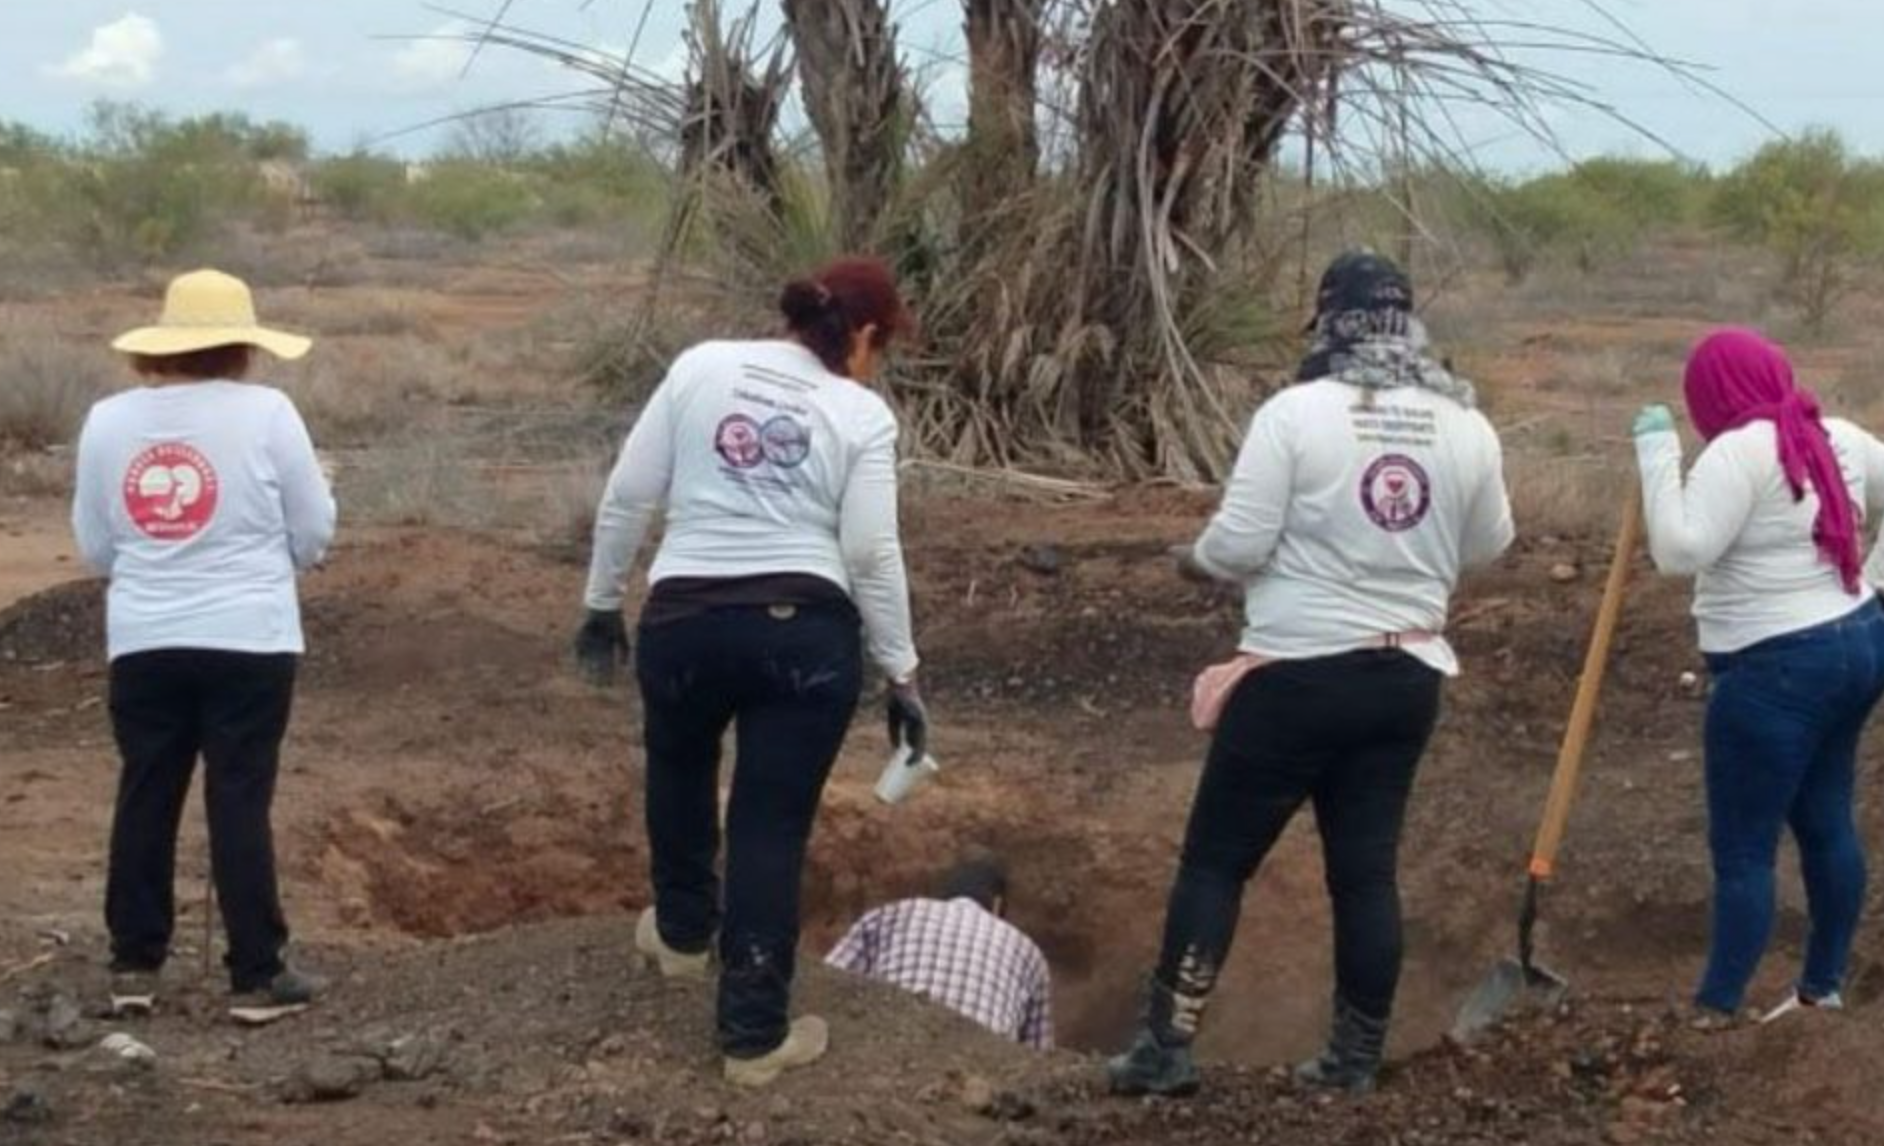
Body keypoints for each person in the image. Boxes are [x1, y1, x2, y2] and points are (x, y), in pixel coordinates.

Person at [1107, 251, 1514, 1098]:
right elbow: (1489, 545)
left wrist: (1197, 562)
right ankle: (1352, 1059)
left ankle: (1165, 1049)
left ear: (1330, 321)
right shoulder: (1466, 423)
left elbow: (1241, 543)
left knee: (1216, 863)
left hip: (1296, 675)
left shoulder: (1295, 413)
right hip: (1405, 675)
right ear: (1409, 326)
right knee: (1364, 873)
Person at [575, 256, 927, 1087]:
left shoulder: (700, 366)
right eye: (884, 346)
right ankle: (753, 1035)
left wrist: (600, 604)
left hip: (683, 620)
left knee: (679, 764)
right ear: (865, 335)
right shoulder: (860, 414)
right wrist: (902, 674)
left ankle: (682, 935)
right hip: (803, 639)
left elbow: (629, 493)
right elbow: (871, 552)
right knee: (770, 825)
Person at [72, 269, 334, 1025]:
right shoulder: (269, 413)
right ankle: (256, 972)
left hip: (146, 637)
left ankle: (133, 964)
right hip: (250, 638)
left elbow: (96, 545)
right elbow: (313, 531)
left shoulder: (108, 420)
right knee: (239, 797)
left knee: (147, 790)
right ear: (242, 346)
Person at [1632, 328, 1884, 1024]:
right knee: (1828, 819)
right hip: (1859, 643)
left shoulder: (1737, 453)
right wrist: (1874, 582)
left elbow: (1680, 551)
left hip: (1774, 670)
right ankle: (1820, 988)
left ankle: (1716, 1009)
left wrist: (1656, 455)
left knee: (1744, 847)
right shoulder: (1836, 434)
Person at [826, 854, 1053, 1049]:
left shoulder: (892, 914)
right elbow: (1040, 1062)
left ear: (942, 896)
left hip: (885, 1056)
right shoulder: (1030, 954)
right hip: (979, 1082)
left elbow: (824, 982)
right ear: (996, 904)